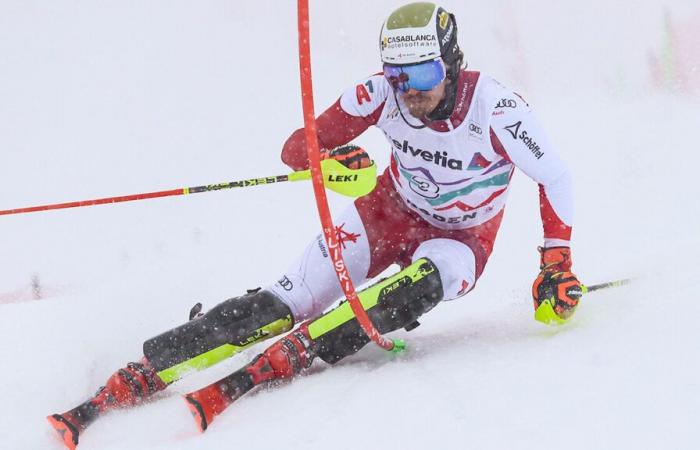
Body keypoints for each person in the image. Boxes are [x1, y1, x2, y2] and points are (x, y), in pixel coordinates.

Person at [48, 2, 582, 448]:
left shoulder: (497, 108)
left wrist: (556, 262)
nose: (410, 92)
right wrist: (333, 160)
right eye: (399, 77)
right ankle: (145, 369)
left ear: (451, 62)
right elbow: (295, 148)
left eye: (423, 74)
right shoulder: (379, 95)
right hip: (388, 212)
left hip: (462, 238)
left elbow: (554, 177)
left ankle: (296, 354)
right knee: (281, 306)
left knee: (413, 291)